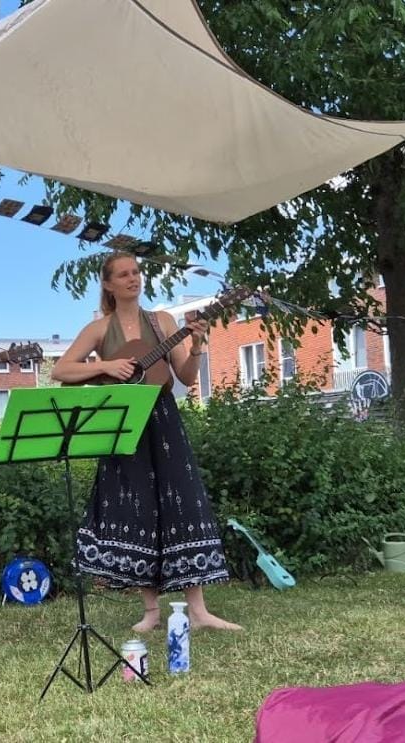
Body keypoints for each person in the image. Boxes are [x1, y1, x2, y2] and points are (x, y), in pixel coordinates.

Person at [51, 252, 241, 633]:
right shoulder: (99, 329)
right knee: (136, 507)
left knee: (181, 502)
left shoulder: (162, 321)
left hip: (164, 419)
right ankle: (151, 611)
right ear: (108, 284)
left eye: (136, 272)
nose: (133, 279)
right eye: (123, 274)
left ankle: (199, 611)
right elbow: (60, 369)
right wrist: (105, 366)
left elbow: (186, 377)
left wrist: (197, 345)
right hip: (125, 421)